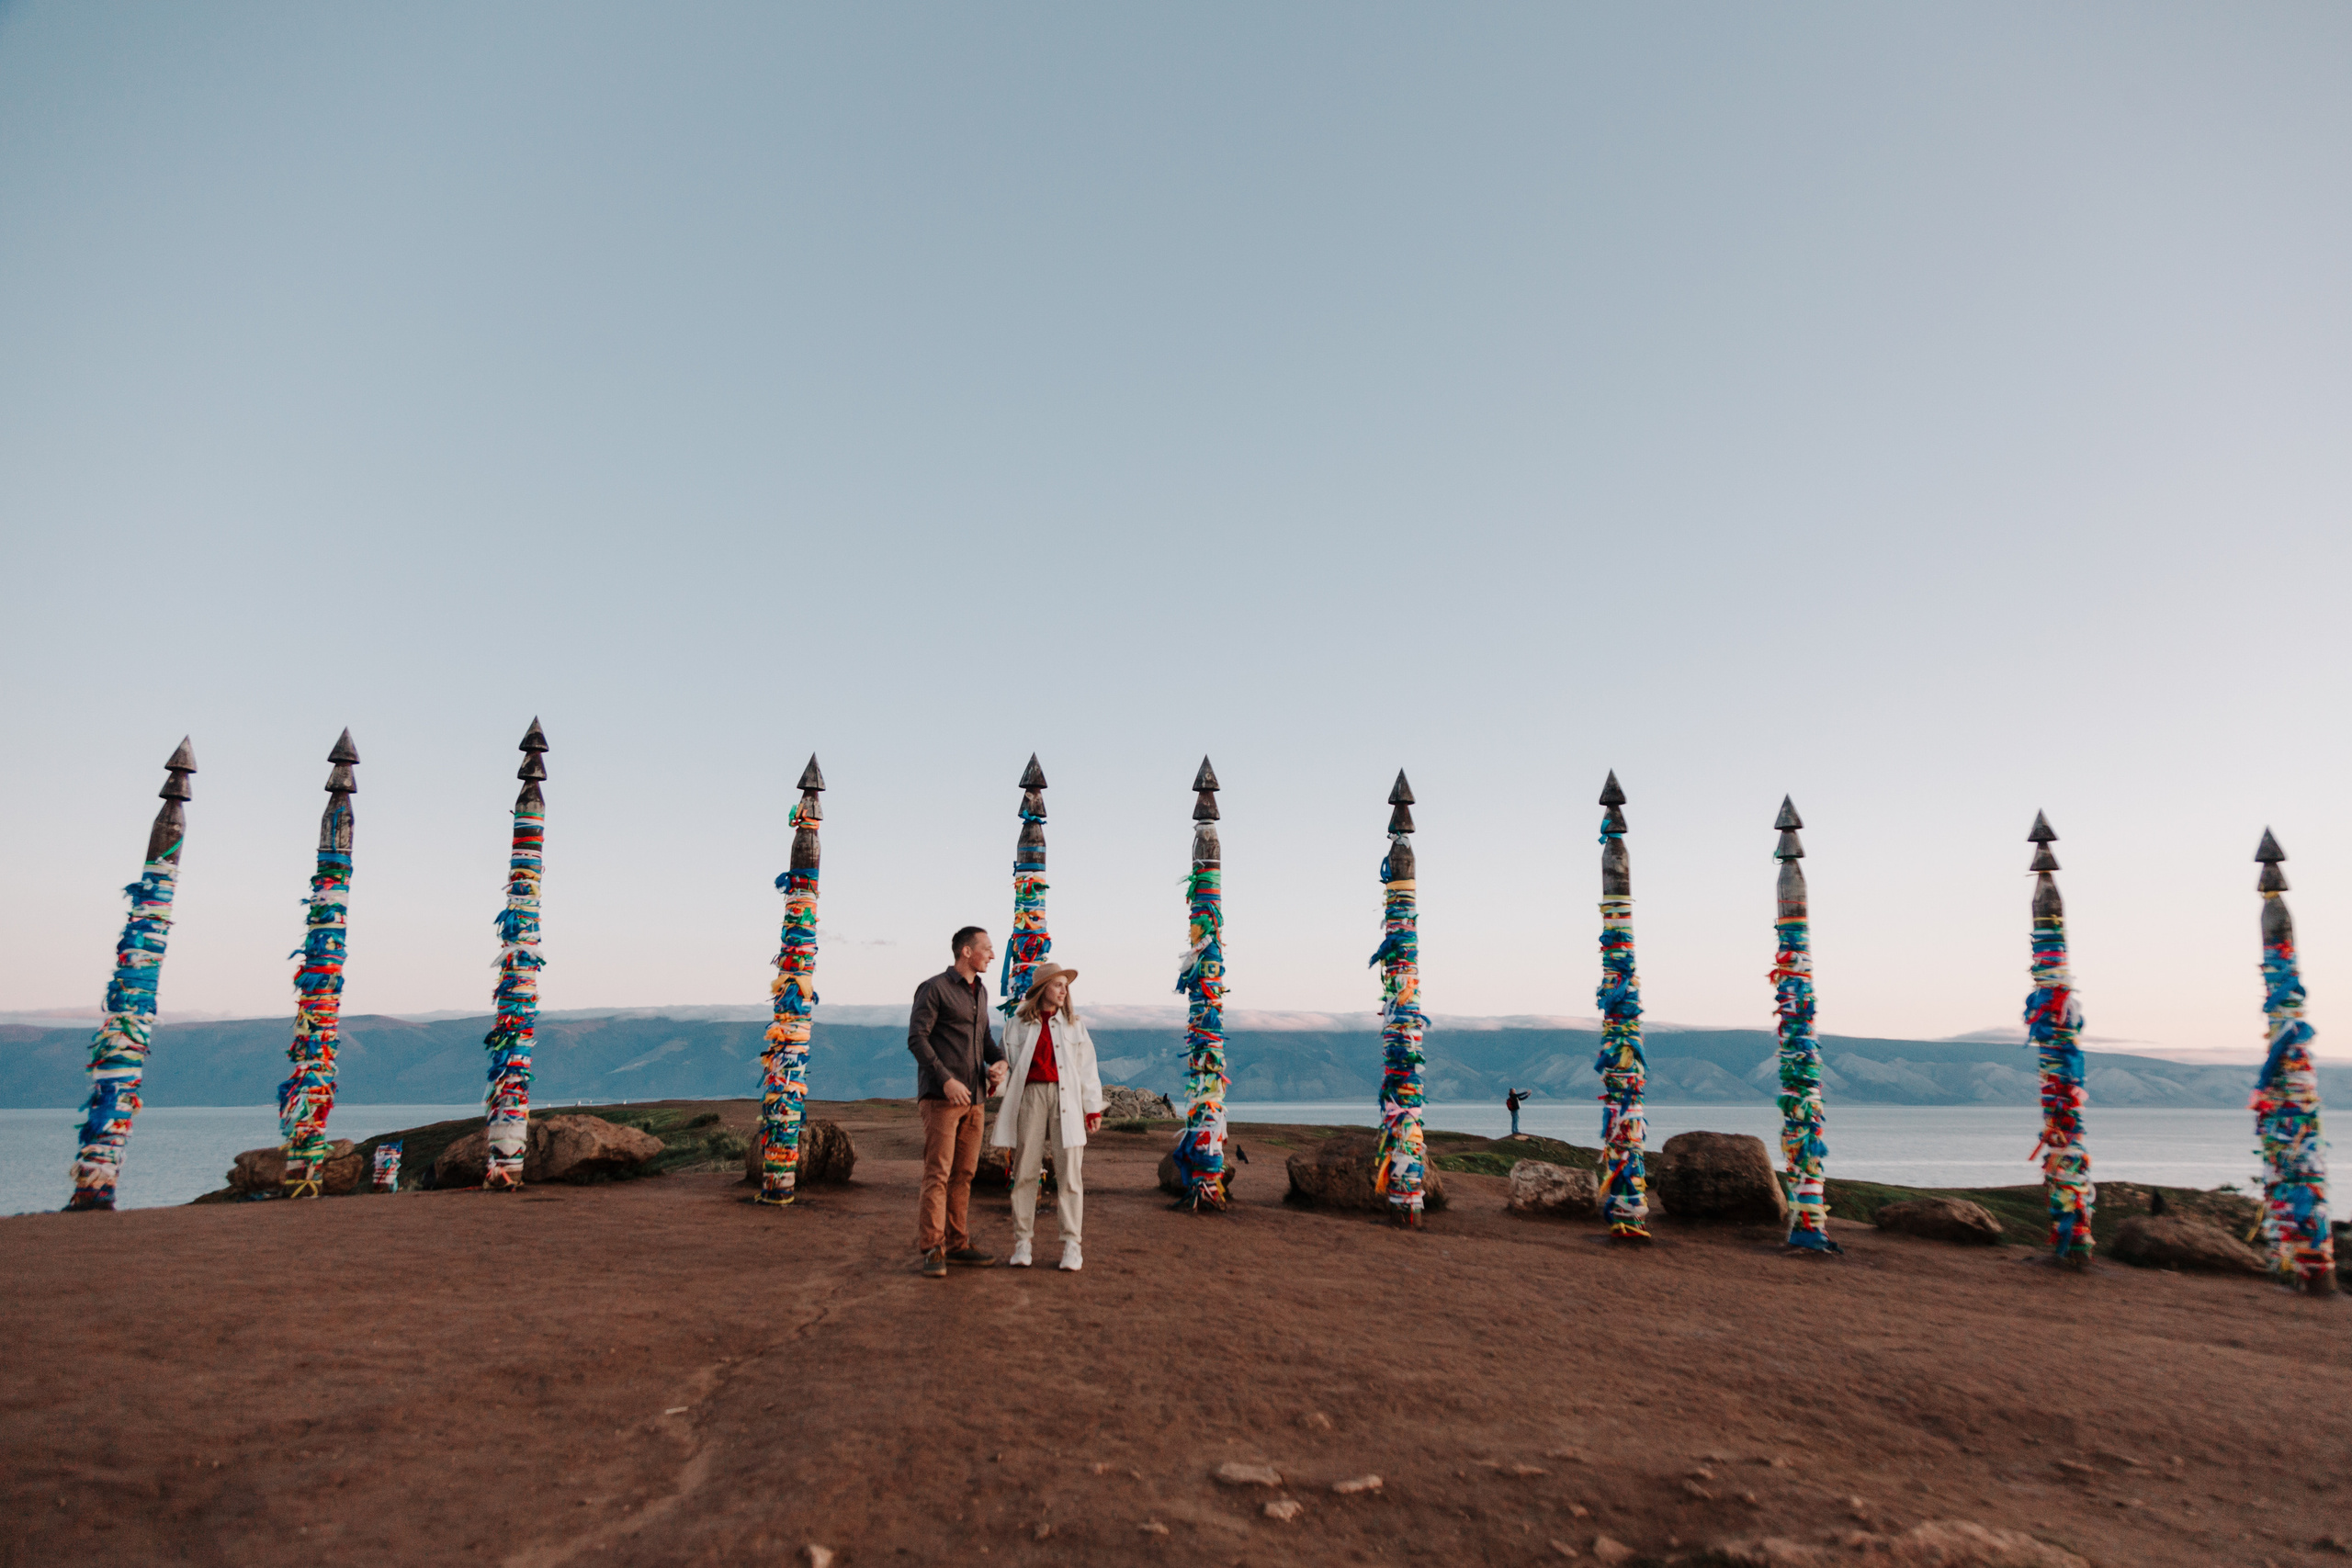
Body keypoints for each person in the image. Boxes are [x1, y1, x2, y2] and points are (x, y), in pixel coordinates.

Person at [989, 962, 1103, 1271]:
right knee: (1025, 1170)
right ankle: (1022, 1242)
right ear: (1042, 989)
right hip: (1030, 1097)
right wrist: (994, 1082)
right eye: (1058, 984)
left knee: (1070, 1174)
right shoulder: (1016, 1025)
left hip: (1067, 1097)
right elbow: (1006, 1064)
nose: (1064, 990)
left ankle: (1071, 1245)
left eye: (1066, 986)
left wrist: (1092, 1107)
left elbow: (1086, 1068)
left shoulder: (1074, 1025)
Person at [909, 926, 1009, 1279]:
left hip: (976, 1098)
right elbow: (917, 1039)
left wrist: (999, 1064)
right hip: (942, 1098)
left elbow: (985, 1039)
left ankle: (958, 1244)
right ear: (966, 951)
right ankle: (932, 1248)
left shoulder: (980, 992)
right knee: (938, 1173)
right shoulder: (933, 988)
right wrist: (945, 1080)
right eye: (988, 948)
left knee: (964, 1174)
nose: (993, 955)